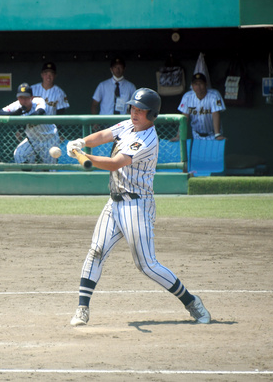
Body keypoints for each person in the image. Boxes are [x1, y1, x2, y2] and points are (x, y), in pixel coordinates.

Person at [66, 88, 211, 326]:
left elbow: (115, 163)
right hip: (114, 202)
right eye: (133, 107)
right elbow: (104, 134)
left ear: (151, 114)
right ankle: (82, 308)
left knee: (146, 265)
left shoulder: (146, 139)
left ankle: (192, 302)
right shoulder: (128, 126)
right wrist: (82, 142)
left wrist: (85, 157)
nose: (134, 112)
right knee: (96, 251)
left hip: (137, 207)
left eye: (140, 110)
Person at [0, 83, 59, 165]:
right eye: (20, 97)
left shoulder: (38, 101)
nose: (23, 100)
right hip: (33, 139)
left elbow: (39, 112)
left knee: (51, 169)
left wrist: (23, 120)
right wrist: (15, 114)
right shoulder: (17, 105)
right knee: (19, 155)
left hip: (49, 138)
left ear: (31, 98)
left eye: (26, 97)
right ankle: (29, 173)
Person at [177, 73, 226, 140]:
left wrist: (217, 135)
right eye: (195, 84)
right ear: (192, 86)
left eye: (201, 83)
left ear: (206, 84)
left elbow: (215, 114)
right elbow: (184, 117)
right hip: (196, 135)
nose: (198, 87)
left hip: (213, 134)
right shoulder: (187, 97)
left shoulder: (214, 95)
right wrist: (179, 135)